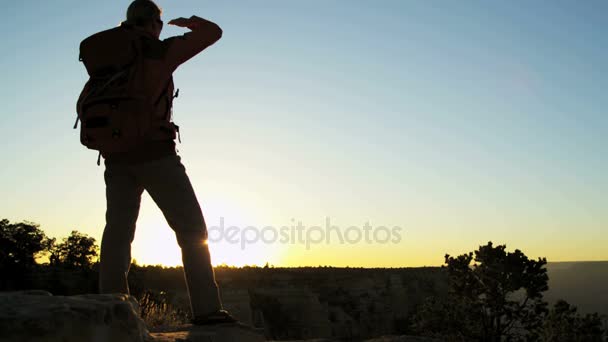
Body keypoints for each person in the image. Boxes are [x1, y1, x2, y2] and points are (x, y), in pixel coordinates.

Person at [93, 0, 236, 325]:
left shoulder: (107, 55)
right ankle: (208, 310)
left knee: (117, 232)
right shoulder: (158, 51)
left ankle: (111, 310)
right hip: (156, 154)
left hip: (115, 159)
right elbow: (214, 32)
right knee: (192, 231)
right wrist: (190, 22)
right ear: (155, 25)